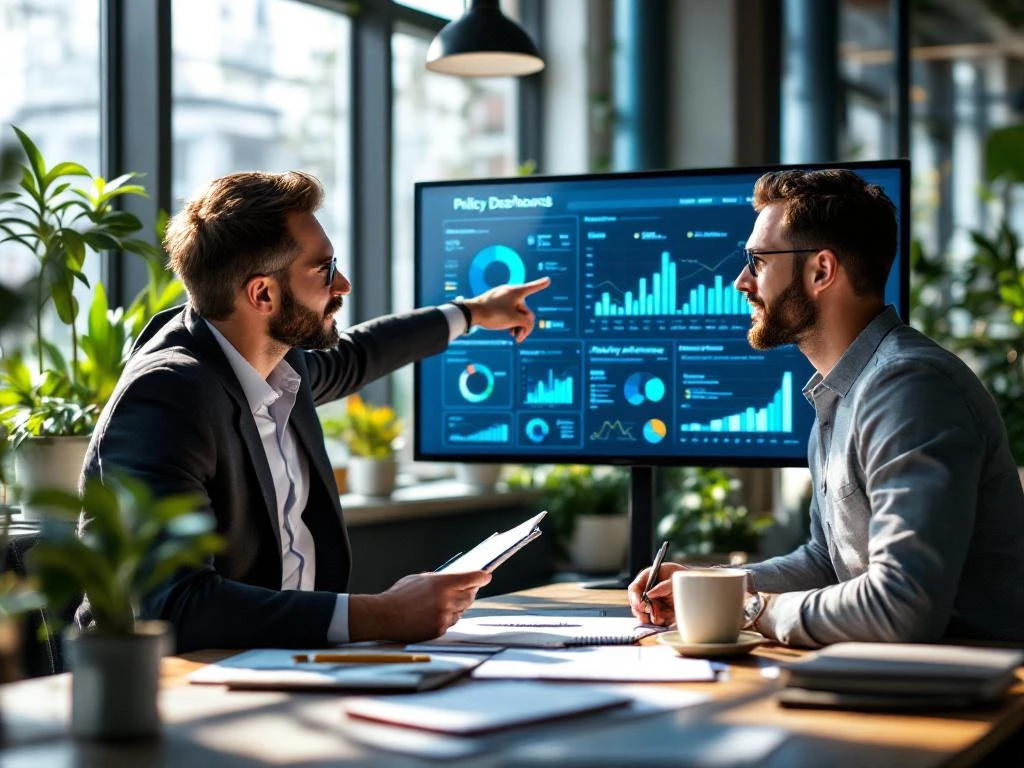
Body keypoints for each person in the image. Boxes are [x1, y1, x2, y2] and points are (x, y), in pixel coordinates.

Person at [79, 170, 550, 653]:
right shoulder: (165, 397)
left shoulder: (280, 362)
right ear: (262, 294)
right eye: (324, 269)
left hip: (291, 665)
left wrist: (472, 312)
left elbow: (359, 354)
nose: (341, 284)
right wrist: (383, 613)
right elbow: (174, 605)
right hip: (185, 689)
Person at [628, 168, 1024, 648]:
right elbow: (824, 561)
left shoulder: (910, 387)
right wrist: (715, 584)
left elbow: (903, 604)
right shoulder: (841, 392)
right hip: (902, 683)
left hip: (968, 700)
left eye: (757, 261)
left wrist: (752, 608)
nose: (740, 282)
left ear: (821, 271)